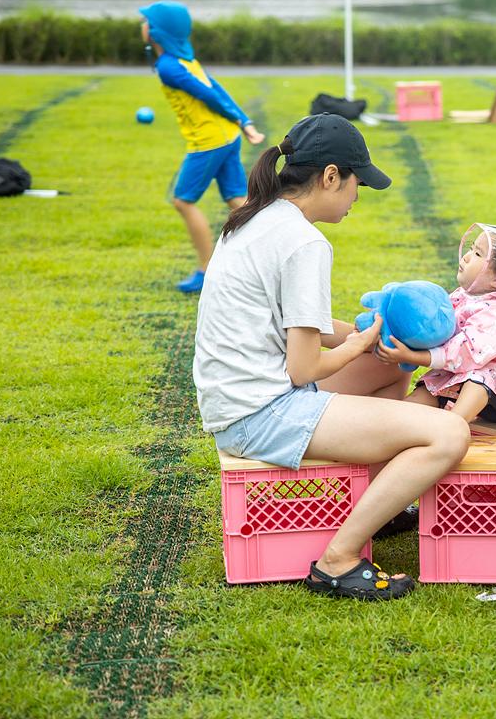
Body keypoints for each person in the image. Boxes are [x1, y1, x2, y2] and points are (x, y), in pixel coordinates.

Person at [193, 113, 470, 601]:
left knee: (388, 366)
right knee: (450, 433)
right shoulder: (304, 242)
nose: (357, 196)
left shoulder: (253, 218)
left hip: (236, 401)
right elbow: (304, 368)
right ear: (329, 177)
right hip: (262, 413)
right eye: (356, 183)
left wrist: (375, 337)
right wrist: (357, 345)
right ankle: (338, 559)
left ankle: (378, 505)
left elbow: (306, 327)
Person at [377, 223, 496, 425]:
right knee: (432, 388)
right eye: (471, 249)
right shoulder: (463, 296)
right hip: (470, 376)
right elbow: (440, 331)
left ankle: (452, 424)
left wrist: (414, 356)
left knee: (481, 376)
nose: (466, 257)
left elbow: (468, 351)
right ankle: (393, 422)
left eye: (477, 254)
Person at [139, 1, 265, 294]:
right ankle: (269, 258)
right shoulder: (184, 60)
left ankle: (207, 270)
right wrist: (243, 122)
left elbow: (210, 94)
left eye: (146, 21)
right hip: (226, 136)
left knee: (183, 200)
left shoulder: (170, 66)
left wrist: (242, 120)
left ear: (157, 32)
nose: (141, 26)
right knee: (238, 200)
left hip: (209, 142)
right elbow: (216, 89)